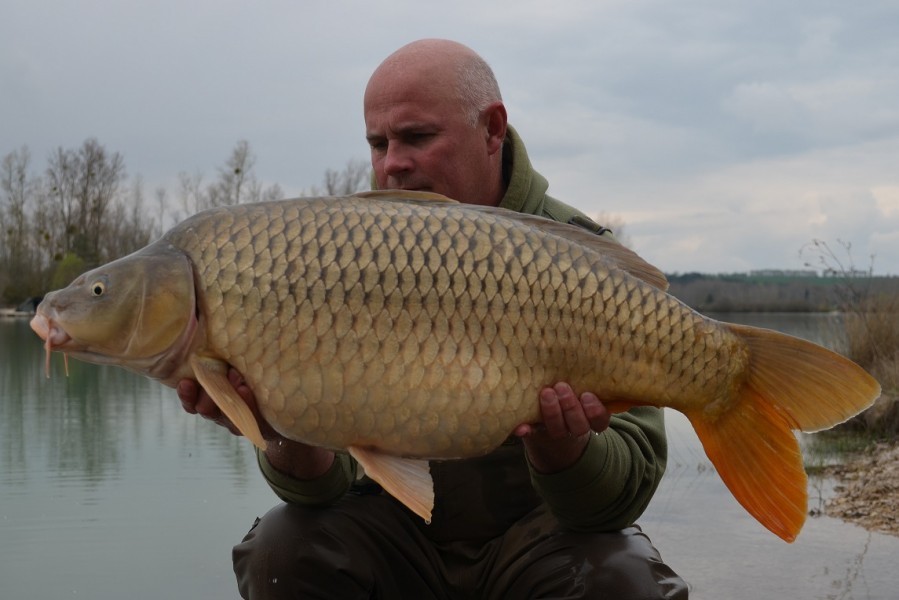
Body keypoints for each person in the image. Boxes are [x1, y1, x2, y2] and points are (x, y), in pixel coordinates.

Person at [178, 39, 688, 599]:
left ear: (493, 129)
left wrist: (562, 447)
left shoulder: (581, 259)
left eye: (417, 137)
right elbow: (321, 494)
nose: (392, 162)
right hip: (395, 540)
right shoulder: (331, 255)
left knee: (625, 578)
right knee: (281, 547)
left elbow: (619, 502)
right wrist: (280, 433)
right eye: (378, 142)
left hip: (539, 544)